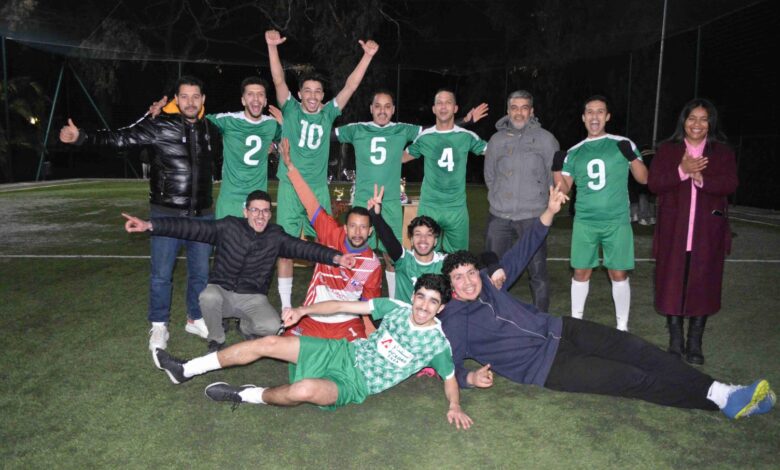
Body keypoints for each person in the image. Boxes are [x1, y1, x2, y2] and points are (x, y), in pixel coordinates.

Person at [439, 184, 775, 420]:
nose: (468, 281)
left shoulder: (489, 282)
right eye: (458, 278)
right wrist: (470, 379)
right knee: (632, 378)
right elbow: (449, 366)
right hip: (547, 366)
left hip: (562, 329)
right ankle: (719, 403)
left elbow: (524, 248)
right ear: (450, 286)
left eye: (470, 273)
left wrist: (550, 211)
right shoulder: (454, 320)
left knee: (639, 350)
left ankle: (722, 391)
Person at [153, 274, 474, 430]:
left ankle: (246, 394)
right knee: (268, 343)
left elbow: (449, 378)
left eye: (433, 301)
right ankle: (186, 369)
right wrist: (304, 310)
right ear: (414, 295)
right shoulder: (395, 308)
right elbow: (343, 305)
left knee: (303, 390)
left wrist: (455, 405)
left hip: (356, 384)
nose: (423, 306)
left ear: (441, 308)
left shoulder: (437, 343)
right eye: (421, 297)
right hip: (341, 353)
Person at [59, 75, 216, 353]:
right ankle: (159, 325)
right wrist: (82, 136)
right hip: (166, 213)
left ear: (203, 100)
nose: (190, 102)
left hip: (202, 214)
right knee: (161, 275)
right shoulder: (159, 125)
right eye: (184, 97)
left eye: (195, 97)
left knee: (201, 273)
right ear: (176, 100)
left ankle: (195, 317)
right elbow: (121, 138)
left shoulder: (210, 129)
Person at [122, 190, 356, 353]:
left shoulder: (276, 235)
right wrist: (151, 225)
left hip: (252, 298)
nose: (260, 216)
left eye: (265, 211)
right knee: (208, 296)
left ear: (270, 214)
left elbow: (305, 248)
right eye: (255, 210)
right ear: (246, 212)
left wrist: (337, 257)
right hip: (222, 292)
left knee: (272, 327)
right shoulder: (228, 226)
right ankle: (216, 338)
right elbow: (190, 227)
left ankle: (245, 325)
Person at [265, 29, 379, 310]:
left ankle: (330, 295)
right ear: (299, 94)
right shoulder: (290, 109)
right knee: (285, 246)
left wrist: (367, 56)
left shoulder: (328, 113)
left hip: (316, 188)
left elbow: (350, 86)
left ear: (323, 95)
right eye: (307, 91)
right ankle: (286, 306)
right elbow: (278, 79)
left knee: (327, 244)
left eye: (317, 91)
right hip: (291, 187)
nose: (313, 95)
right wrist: (272, 47)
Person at [336, 90, 487, 297]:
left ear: (393, 110)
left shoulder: (403, 129)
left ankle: (395, 301)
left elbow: (436, 129)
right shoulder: (357, 128)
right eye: (378, 106)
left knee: (393, 256)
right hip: (363, 199)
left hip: (390, 202)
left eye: (387, 106)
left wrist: (465, 121)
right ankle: (350, 297)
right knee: (356, 252)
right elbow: (326, 133)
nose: (382, 111)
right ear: (371, 108)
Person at [647, 98, 739, 365]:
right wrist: (682, 171)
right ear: (683, 121)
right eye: (692, 118)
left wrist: (702, 180)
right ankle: (675, 341)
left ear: (711, 123)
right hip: (674, 232)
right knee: (672, 283)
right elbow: (654, 183)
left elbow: (730, 184)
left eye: (703, 119)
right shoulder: (668, 150)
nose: (697, 124)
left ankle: (695, 342)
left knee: (703, 284)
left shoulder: (721, 152)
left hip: (707, 232)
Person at [555, 95, 648, 331]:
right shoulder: (575, 151)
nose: (594, 116)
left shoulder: (622, 143)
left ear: (607, 117)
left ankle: (622, 327)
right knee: (581, 272)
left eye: (600, 112)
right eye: (590, 112)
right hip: (585, 221)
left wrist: (631, 157)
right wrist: (556, 168)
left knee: (618, 273)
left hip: (617, 221)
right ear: (583, 117)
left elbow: (643, 178)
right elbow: (563, 190)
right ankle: (576, 323)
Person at [279, 139, 382, 340]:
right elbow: (310, 202)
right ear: (345, 227)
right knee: (286, 347)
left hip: (347, 320)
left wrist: (370, 334)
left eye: (363, 227)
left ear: (370, 231)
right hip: (314, 314)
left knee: (355, 355)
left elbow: (369, 304)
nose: (358, 232)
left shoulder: (372, 265)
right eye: (353, 226)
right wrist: (290, 167)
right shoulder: (331, 232)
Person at [149, 76, 281, 218]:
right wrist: (164, 111)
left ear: (265, 101)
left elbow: (288, 141)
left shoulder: (273, 124)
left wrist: (275, 145)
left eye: (260, 94)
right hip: (230, 200)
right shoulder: (228, 120)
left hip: (258, 201)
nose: (256, 99)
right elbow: (194, 117)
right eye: (250, 94)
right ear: (243, 100)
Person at [484, 90, 559, 312]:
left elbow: (552, 177)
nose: (519, 113)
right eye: (514, 108)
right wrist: (501, 199)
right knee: (493, 273)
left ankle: (541, 321)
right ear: (508, 111)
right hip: (499, 216)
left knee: (538, 274)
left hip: (533, 217)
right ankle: (493, 317)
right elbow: (490, 176)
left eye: (524, 108)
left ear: (531, 111)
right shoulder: (496, 140)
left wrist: (543, 205)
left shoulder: (546, 139)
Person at [404, 89, 488, 252]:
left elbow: (493, 151)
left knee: (458, 260)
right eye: (439, 103)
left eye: (448, 102)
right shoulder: (424, 137)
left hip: (456, 209)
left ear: (455, 108)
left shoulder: (466, 136)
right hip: (429, 206)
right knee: (424, 257)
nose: (443, 107)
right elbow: (401, 158)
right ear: (434, 108)